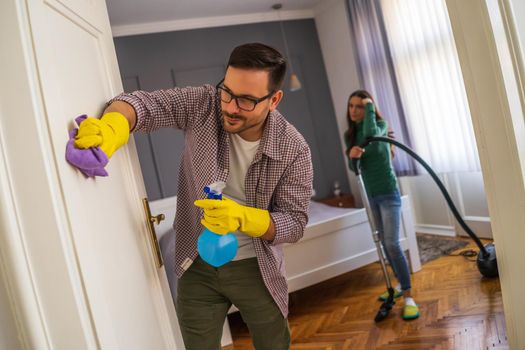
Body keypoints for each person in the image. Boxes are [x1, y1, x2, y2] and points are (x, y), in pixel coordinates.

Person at [73, 42, 313, 349]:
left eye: (246, 100)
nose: (230, 106)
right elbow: (142, 104)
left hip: (256, 269)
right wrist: (113, 126)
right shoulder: (204, 103)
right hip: (196, 263)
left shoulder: (294, 148)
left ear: (274, 99)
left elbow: (294, 224)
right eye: (227, 91)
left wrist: (246, 218)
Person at [344, 90, 419, 320]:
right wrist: (352, 155)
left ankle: (408, 296)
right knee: (384, 244)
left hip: (388, 192)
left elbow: (374, 145)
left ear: (369, 108)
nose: (355, 110)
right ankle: (398, 284)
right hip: (370, 195)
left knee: (392, 243)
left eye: (361, 106)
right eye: (352, 106)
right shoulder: (350, 134)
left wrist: (370, 107)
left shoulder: (380, 125)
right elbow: (353, 168)